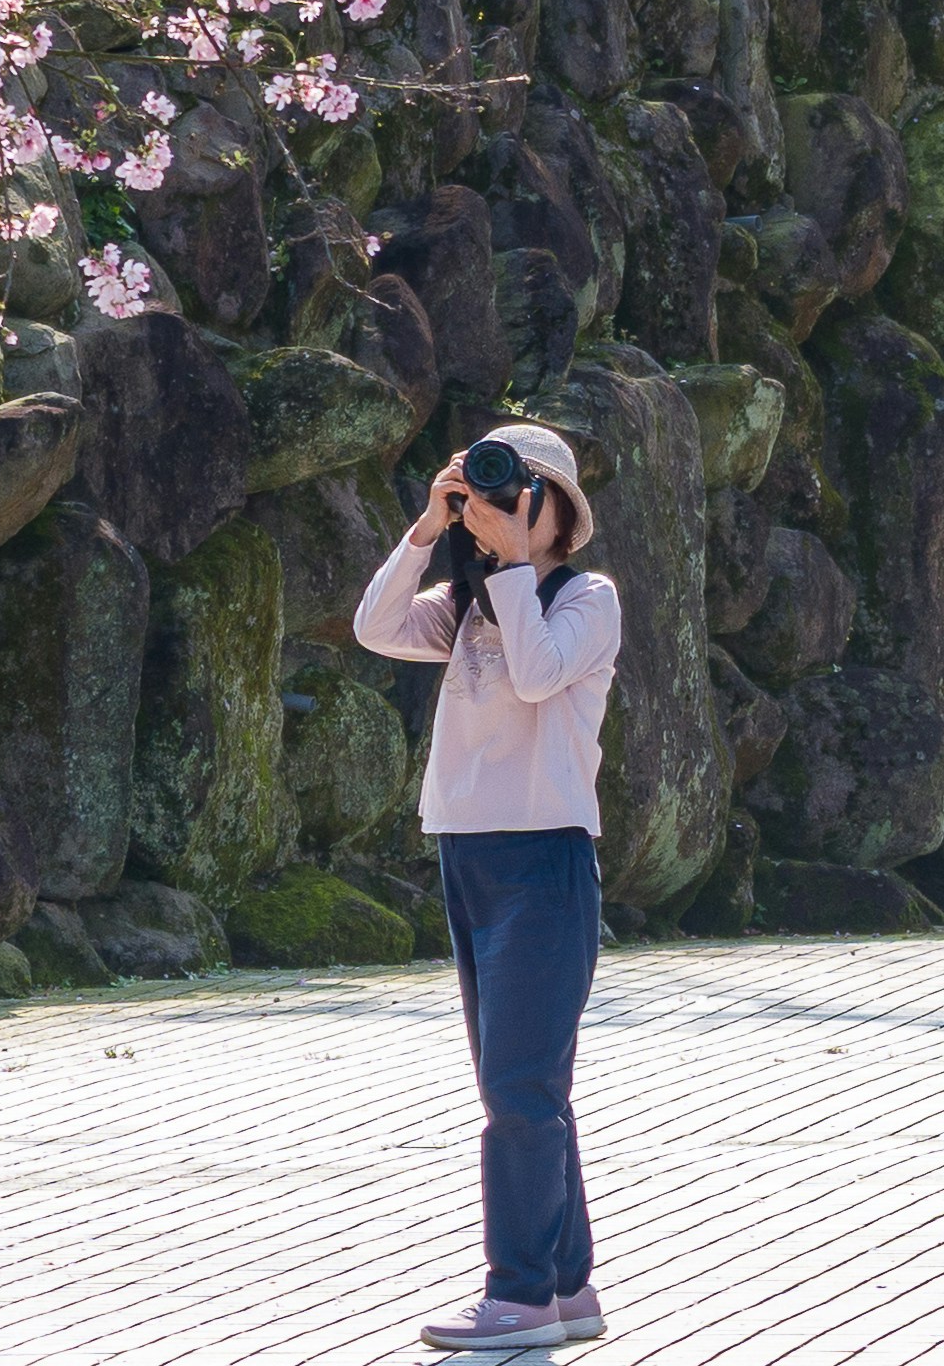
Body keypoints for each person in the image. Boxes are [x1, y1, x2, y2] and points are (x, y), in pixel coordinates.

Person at [350, 422, 625, 1354]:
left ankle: (516, 1294)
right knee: (525, 1084)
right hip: (467, 853)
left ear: (558, 510)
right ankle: (567, 1289)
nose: (500, 512)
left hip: (546, 860)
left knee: (519, 1087)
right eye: (488, 494)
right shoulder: (467, 606)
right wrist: (429, 528)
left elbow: (542, 675)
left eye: (517, 495)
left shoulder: (587, 598)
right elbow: (376, 626)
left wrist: (508, 563)